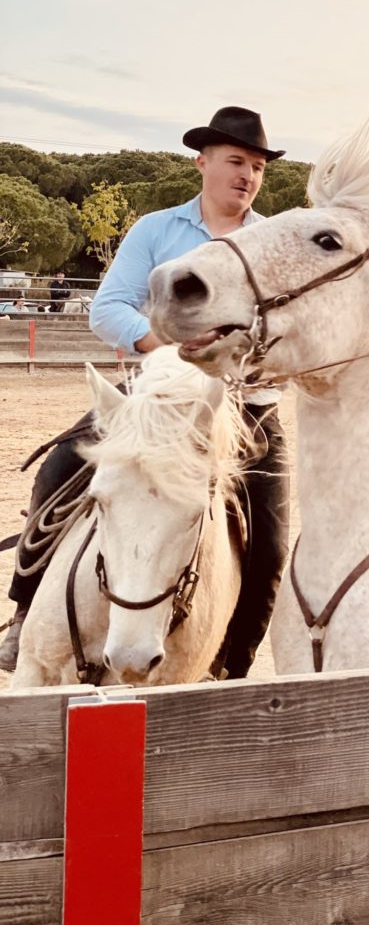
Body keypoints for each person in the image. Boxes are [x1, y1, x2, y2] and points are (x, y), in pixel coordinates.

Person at [0, 107, 289, 678]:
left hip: (243, 406)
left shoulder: (270, 243)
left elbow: (286, 329)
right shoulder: (156, 230)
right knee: (59, 469)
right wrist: (166, 345)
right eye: (236, 161)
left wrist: (252, 354)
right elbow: (108, 307)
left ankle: (230, 663)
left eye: (257, 166)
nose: (248, 175)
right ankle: (25, 612)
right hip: (153, 398)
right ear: (203, 163)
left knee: (272, 539)